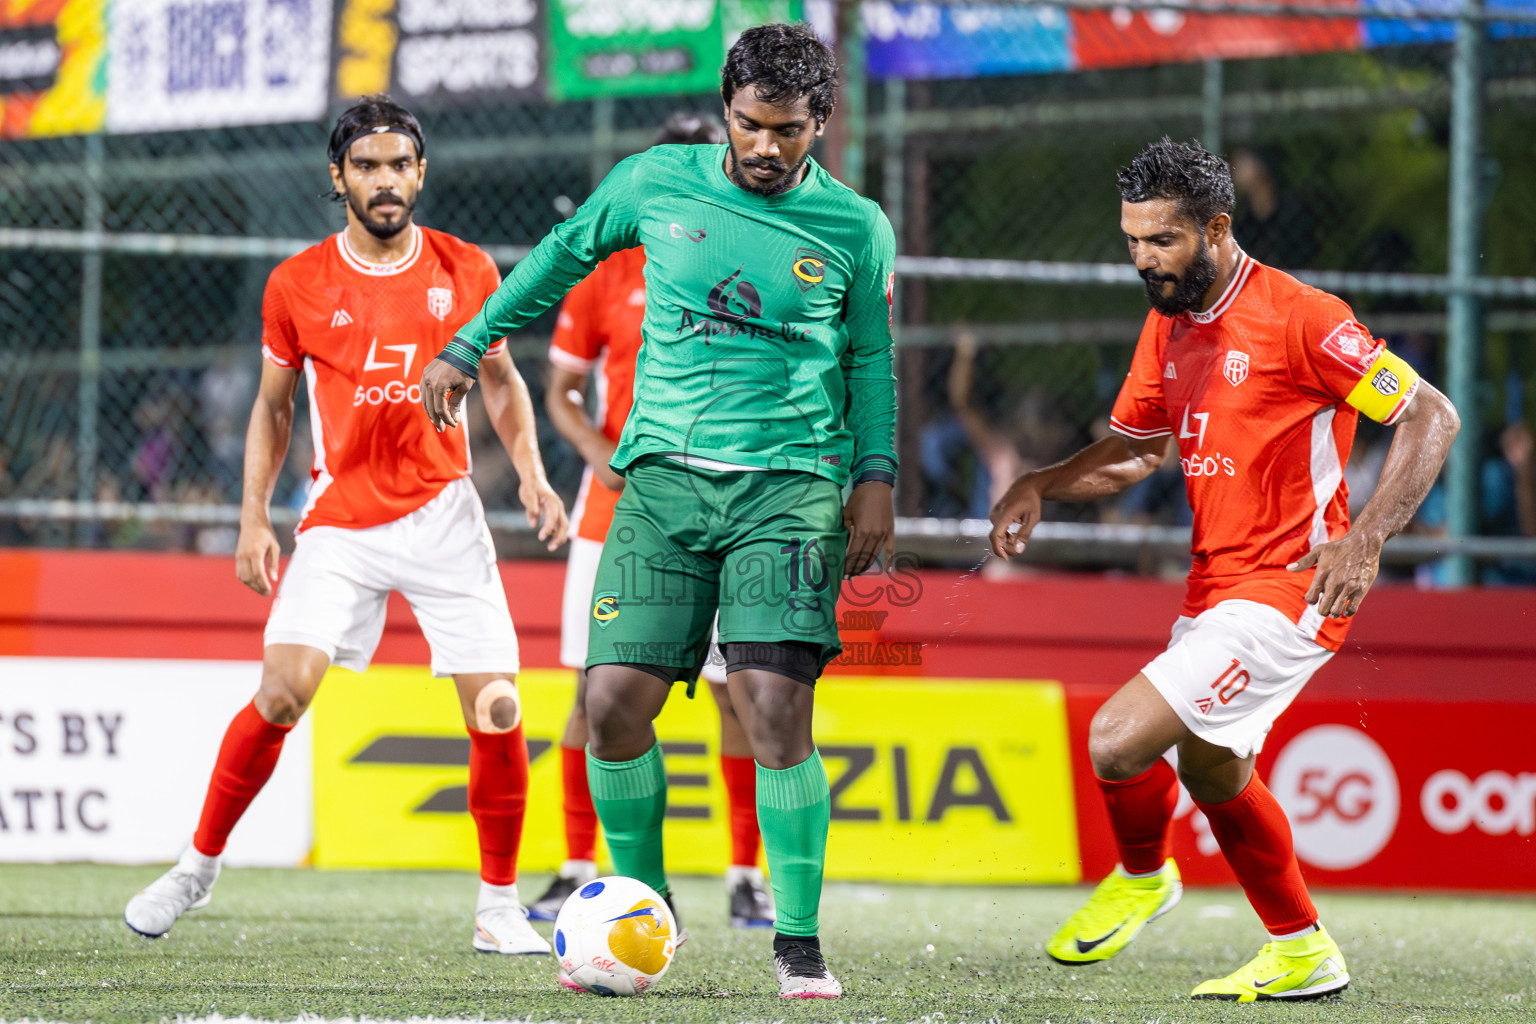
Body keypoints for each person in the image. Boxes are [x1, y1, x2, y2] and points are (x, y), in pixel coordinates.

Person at [420, 24, 897, 999]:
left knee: (772, 706)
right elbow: (558, 257)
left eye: (789, 130)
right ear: (727, 111)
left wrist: (876, 473)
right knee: (608, 707)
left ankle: (796, 938)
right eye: (750, 124)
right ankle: (646, 901)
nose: (766, 148)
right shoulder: (655, 182)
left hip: (790, 490)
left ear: (821, 122)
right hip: (662, 486)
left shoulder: (857, 226)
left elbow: (870, 359)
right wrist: (468, 346)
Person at [989, 138, 1459, 1002]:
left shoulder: (1302, 316)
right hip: (1215, 591)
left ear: (1216, 228)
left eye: (1162, 241)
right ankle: (1302, 947)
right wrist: (1044, 484)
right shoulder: (1168, 321)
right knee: (1212, 771)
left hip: (1292, 587)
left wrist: (1367, 538)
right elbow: (1138, 453)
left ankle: (1142, 874)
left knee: (1116, 738)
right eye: (1131, 240)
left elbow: (1432, 414)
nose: (1143, 260)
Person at [124, 96, 569, 956]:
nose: (387, 180)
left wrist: (532, 473)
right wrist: (254, 517)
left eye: (401, 164)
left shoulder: (468, 268)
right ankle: (196, 869)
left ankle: (499, 905)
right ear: (339, 178)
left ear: (421, 172)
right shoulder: (297, 283)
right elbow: (271, 409)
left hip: (446, 517)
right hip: (340, 523)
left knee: (502, 710)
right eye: (367, 166)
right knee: (284, 691)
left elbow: (506, 382)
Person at [531, 111, 774, 929]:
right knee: (592, 691)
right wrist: (598, 452)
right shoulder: (609, 270)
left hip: (727, 512)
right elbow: (559, 391)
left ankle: (746, 876)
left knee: (738, 696)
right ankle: (575, 867)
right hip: (615, 517)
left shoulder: (758, 253)